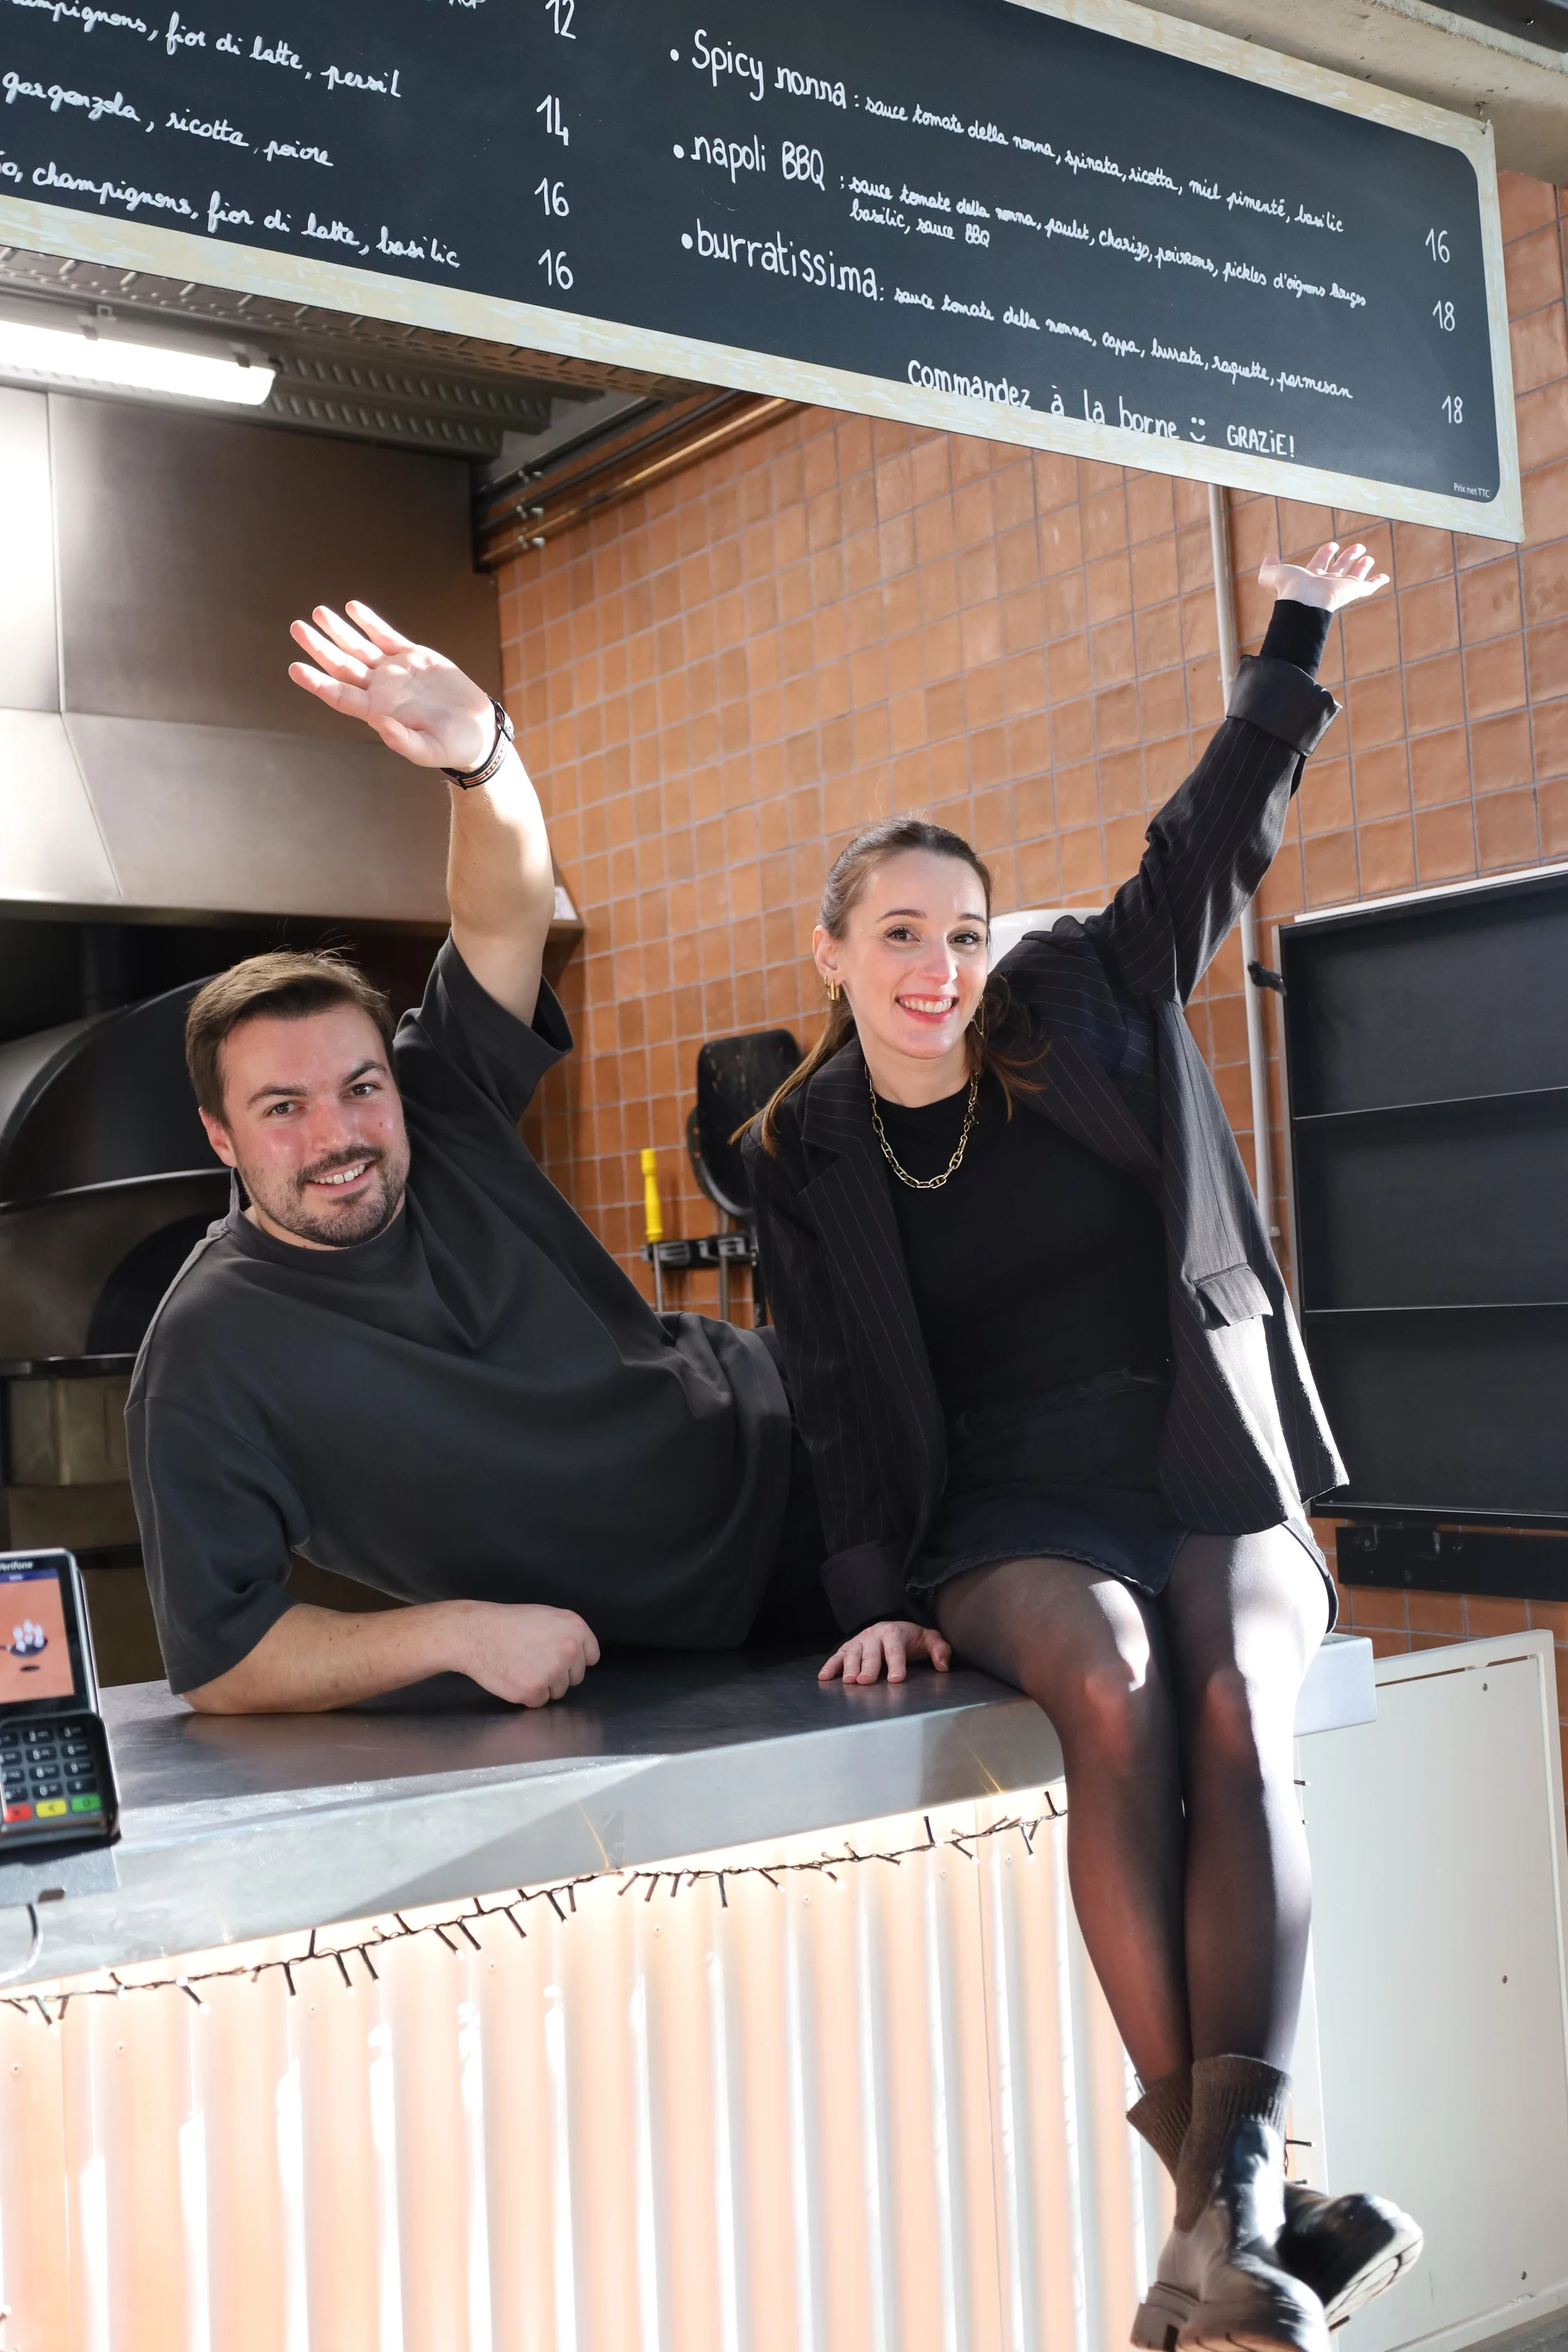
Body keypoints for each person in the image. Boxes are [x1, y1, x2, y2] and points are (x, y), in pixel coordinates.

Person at [744, 543, 1422, 2352]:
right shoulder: (800, 1151)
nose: (938, 966)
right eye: (899, 932)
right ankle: (1257, 2219)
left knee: (1235, 1704)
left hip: (1198, 1449)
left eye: (961, 931)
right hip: (1009, 1503)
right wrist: (872, 1595)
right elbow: (825, 1384)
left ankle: (1219, 2225)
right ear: (829, 950)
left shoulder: (1082, 1002)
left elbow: (1208, 841)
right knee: (1112, 1685)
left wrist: (1293, 639)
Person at [128, 601, 830, 1715]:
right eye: (283, 1108)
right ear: (220, 1136)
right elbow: (223, 1657)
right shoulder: (208, 1353)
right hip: (730, 1630)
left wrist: (482, 759)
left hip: (816, 1419)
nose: (339, 1135)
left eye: (361, 1087)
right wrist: (451, 1632)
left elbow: (501, 921)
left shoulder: (440, 1102)